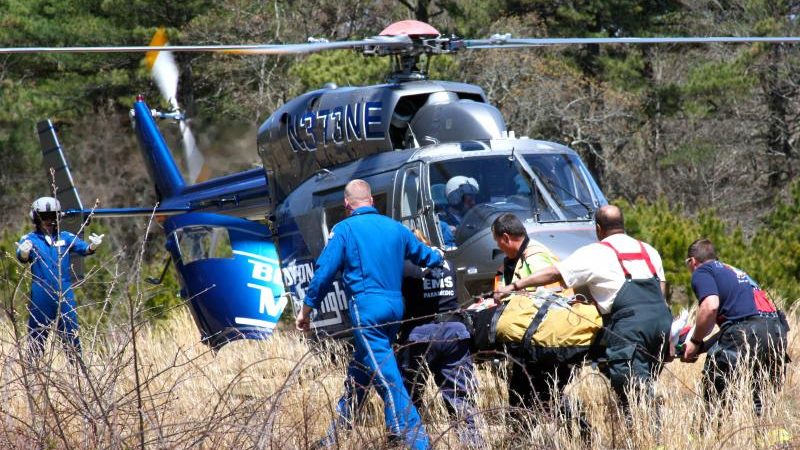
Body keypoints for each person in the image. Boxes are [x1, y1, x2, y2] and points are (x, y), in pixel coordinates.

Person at [296, 179, 444, 450]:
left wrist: (306, 309)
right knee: (361, 372)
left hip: (367, 311)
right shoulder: (396, 228)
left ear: (346, 204)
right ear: (372, 200)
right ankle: (334, 437)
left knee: (389, 379)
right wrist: (438, 255)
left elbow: (324, 274)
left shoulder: (344, 230)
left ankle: (416, 441)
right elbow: (427, 256)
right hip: (394, 310)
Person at [494, 205, 672, 412]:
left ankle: (647, 437)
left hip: (630, 326)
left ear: (598, 228)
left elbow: (554, 274)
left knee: (634, 392)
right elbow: (661, 293)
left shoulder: (596, 253)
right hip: (661, 324)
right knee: (644, 382)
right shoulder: (648, 250)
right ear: (622, 224)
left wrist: (514, 286)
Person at [490, 213, 590, 437]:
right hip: (530, 336)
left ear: (506, 237)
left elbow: (549, 297)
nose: (499, 247)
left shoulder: (535, 257)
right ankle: (523, 436)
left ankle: (579, 432)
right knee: (528, 392)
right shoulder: (514, 260)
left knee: (546, 392)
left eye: (498, 242)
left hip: (547, 337)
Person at [681, 239, 788, 416]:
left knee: (716, 397)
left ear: (692, 261)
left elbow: (710, 306)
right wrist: (701, 347)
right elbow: (739, 323)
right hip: (776, 332)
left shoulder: (702, 271)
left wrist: (694, 340)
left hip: (747, 332)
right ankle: (765, 439)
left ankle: (712, 437)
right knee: (760, 400)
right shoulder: (736, 272)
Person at [397, 230, 484, 448]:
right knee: (460, 396)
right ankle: (473, 444)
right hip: (454, 331)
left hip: (420, 334)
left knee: (409, 397)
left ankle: (413, 442)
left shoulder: (406, 266)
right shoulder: (447, 263)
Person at [15, 196, 103, 361]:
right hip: (40, 293)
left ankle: (77, 373)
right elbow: (21, 255)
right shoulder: (29, 239)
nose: (48, 221)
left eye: (51, 216)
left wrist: (92, 246)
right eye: (43, 217)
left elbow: (82, 248)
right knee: (36, 337)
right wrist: (24, 252)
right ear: (35, 218)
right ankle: (33, 377)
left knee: (71, 334)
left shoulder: (65, 237)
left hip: (64, 291)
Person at [438, 176, 479, 247]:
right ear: (455, 198)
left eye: (473, 198)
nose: (473, 203)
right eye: (469, 200)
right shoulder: (442, 221)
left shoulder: (472, 217)